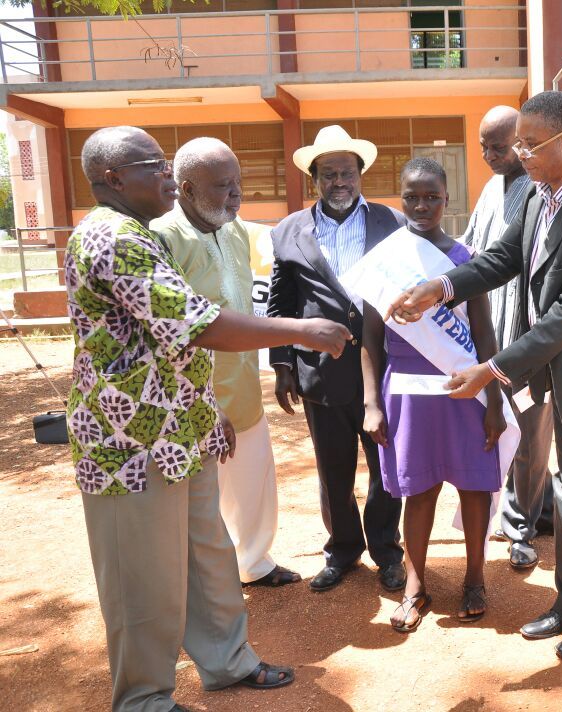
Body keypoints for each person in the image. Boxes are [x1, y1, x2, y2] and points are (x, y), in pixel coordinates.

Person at [66, 125, 351, 711]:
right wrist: (302, 331)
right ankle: (144, 699)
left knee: (209, 557)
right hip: (130, 445)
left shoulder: (142, 233)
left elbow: (169, 343)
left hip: (181, 429)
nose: (167, 177)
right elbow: (199, 324)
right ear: (114, 178)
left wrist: (204, 407)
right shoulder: (113, 238)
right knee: (143, 580)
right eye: (154, 166)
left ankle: (226, 661)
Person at [385, 90, 562, 659]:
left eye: (531, 145)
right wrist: (441, 287)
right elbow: (500, 258)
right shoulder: (542, 195)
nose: (521, 155)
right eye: (519, 144)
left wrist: (492, 370)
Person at [361, 158, 505, 632]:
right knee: (418, 491)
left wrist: (495, 402)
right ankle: (415, 585)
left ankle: (475, 579)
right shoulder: (385, 260)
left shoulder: (467, 260)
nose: (421, 206)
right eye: (412, 197)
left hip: (462, 388)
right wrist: (371, 403)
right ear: (400, 199)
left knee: (473, 487)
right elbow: (370, 338)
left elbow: (484, 333)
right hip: (406, 392)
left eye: (431, 197)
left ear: (447, 199)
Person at [153, 137, 299, 588]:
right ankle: (204, 581)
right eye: (222, 185)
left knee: (252, 483)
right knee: (200, 497)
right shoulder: (162, 237)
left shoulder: (235, 230)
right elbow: (168, 331)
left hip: (244, 385)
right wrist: (204, 401)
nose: (236, 194)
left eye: (238, 182)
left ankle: (254, 563)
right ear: (187, 188)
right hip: (190, 397)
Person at [267, 125, 406, 593]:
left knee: (386, 469)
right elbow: (280, 303)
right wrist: (282, 365)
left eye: (347, 172)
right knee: (333, 471)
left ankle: (387, 551)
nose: (339, 181)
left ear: (361, 174)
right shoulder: (288, 231)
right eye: (329, 174)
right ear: (315, 179)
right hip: (320, 373)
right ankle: (343, 550)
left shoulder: (392, 223)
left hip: (381, 370)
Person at [462, 105, 553, 570]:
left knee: (530, 433)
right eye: (484, 147)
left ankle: (520, 527)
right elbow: (471, 248)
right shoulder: (491, 188)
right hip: (492, 332)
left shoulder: (540, 189)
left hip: (528, 334)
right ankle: (545, 507)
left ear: (521, 144)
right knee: (509, 430)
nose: (490, 155)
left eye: (498, 147)